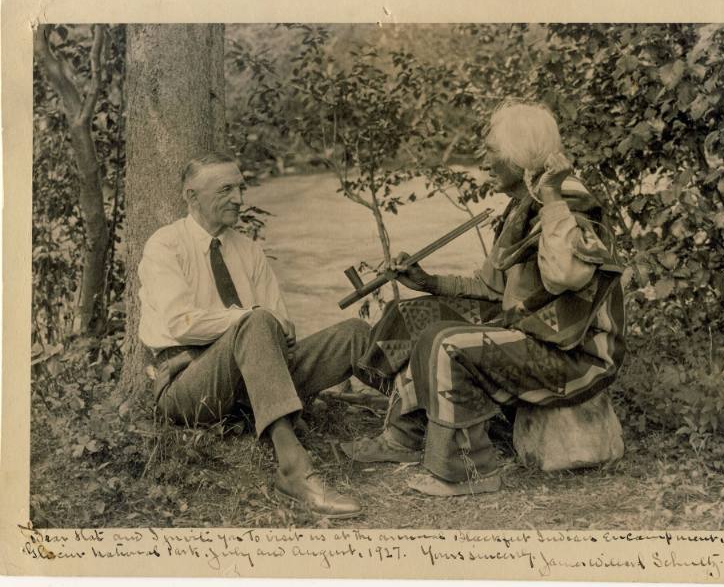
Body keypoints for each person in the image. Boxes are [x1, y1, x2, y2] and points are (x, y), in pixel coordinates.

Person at [341, 101, 626, 496]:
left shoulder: (570, 202)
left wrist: (552, 197)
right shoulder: (523, 204)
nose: (484, 159)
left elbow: (564, 276)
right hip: (530, 329)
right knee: (409, 316)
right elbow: (492, 288)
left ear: (519, 154)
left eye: (491, 150)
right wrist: (428, 282)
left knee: (446, 344)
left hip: (576, 353)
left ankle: (468, 470)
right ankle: (407, 433)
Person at [138, 152, 373, 518]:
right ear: (191, 196)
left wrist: (262, 326)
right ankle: (293, 469)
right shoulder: (165, 246)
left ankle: (412, 426)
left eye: (241, 188)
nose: (239, 199)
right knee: (257, 321)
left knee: (354, 334)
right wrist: (252, 320)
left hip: (256, 374)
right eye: (226, 190)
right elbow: (180, 324)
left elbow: (283, 326)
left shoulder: (247, 250)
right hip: (190, 383)